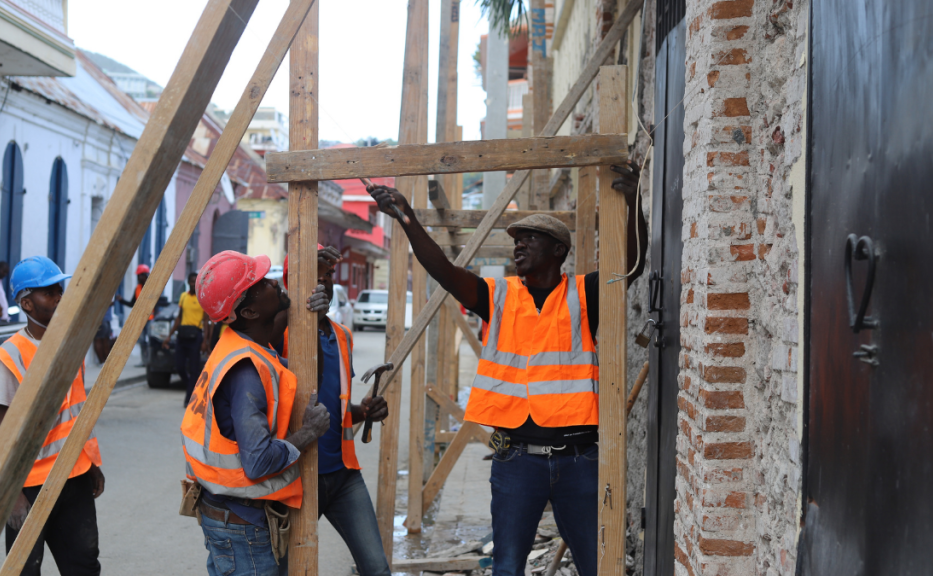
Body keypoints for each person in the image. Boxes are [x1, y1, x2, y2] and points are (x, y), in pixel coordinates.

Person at [366, 162, 647, 576]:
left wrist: (636, 201)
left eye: (530, 239)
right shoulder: (497, 297)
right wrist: (407, 219)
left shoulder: (583, 295)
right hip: (516, 461)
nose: (518, 246)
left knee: (598, 566)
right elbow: (443, 272)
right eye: (516, 240)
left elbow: (631, 267)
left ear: (558, 251)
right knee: (508, 567)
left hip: (579, 461)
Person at [181, 250, 332, 576]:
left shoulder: (245, 343)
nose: (273, 282)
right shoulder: (246, 369)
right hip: (241, 525)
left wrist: (312, 308)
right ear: (249, 310)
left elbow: (308, 377)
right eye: (261, 282)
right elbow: (259, 462)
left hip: (227, 514)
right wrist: (308, 432)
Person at [277, 246, 391, 576]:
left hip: (342, 476)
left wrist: (364, 410)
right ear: (294, 280)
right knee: (283, 569)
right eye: (319, 273)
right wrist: (300, 315)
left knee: (377, 568)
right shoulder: (280, 334)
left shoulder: (341, 336)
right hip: (297, 476)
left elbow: (337, 409)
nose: (327, 280)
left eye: (329, 274)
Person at [0, 256, 105, 576]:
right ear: (26, 303)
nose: (59, 296)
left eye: (59, 289)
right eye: (48, 292)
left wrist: (91, 463)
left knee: (83, 566)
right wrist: (11, 496)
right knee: (25, 570)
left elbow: (76, 410)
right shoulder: (10, 355)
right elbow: (3, 432)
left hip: (74, 476)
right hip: (29, 486)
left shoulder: (70, 345)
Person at [163, 272, 209, 407]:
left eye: (196, 281)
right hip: (182, 335)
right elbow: (178, 318)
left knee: (194, 369)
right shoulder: (183, 297)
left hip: (196, 337)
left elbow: (206, 321)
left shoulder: (203, 299)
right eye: (191, 281)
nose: (193, 283)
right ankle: (192, 386)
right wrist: (169, 335)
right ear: (188, 282)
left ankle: (188, 398)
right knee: (179, 367)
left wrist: (205, 341)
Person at [114, 264, 152, 366]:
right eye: (138, 275)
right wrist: (121, 301)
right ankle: (144, 361)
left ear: (145, 275)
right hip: (140, 319)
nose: (139, 278)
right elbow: (132, 304)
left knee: (151, 341)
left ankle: (150, 361)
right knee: (142, 341)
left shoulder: (152, 287)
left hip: (150, 319)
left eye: (140, 275)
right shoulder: (137, 288)